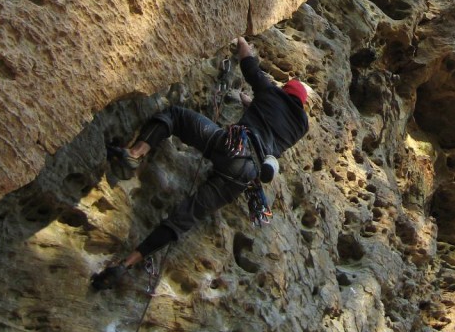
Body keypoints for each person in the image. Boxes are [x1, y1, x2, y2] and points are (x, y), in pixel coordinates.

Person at [91, 38, 310, 290]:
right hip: (247, 175)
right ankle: (128, 263)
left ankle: (135, 153)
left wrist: (240, 39)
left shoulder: (271, 92)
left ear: (285, 90)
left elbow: (249, 64)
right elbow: (272, 122)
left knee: (175, 116)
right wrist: (251, 103)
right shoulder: (299, 128)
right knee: (185, 217)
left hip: (232, 144)